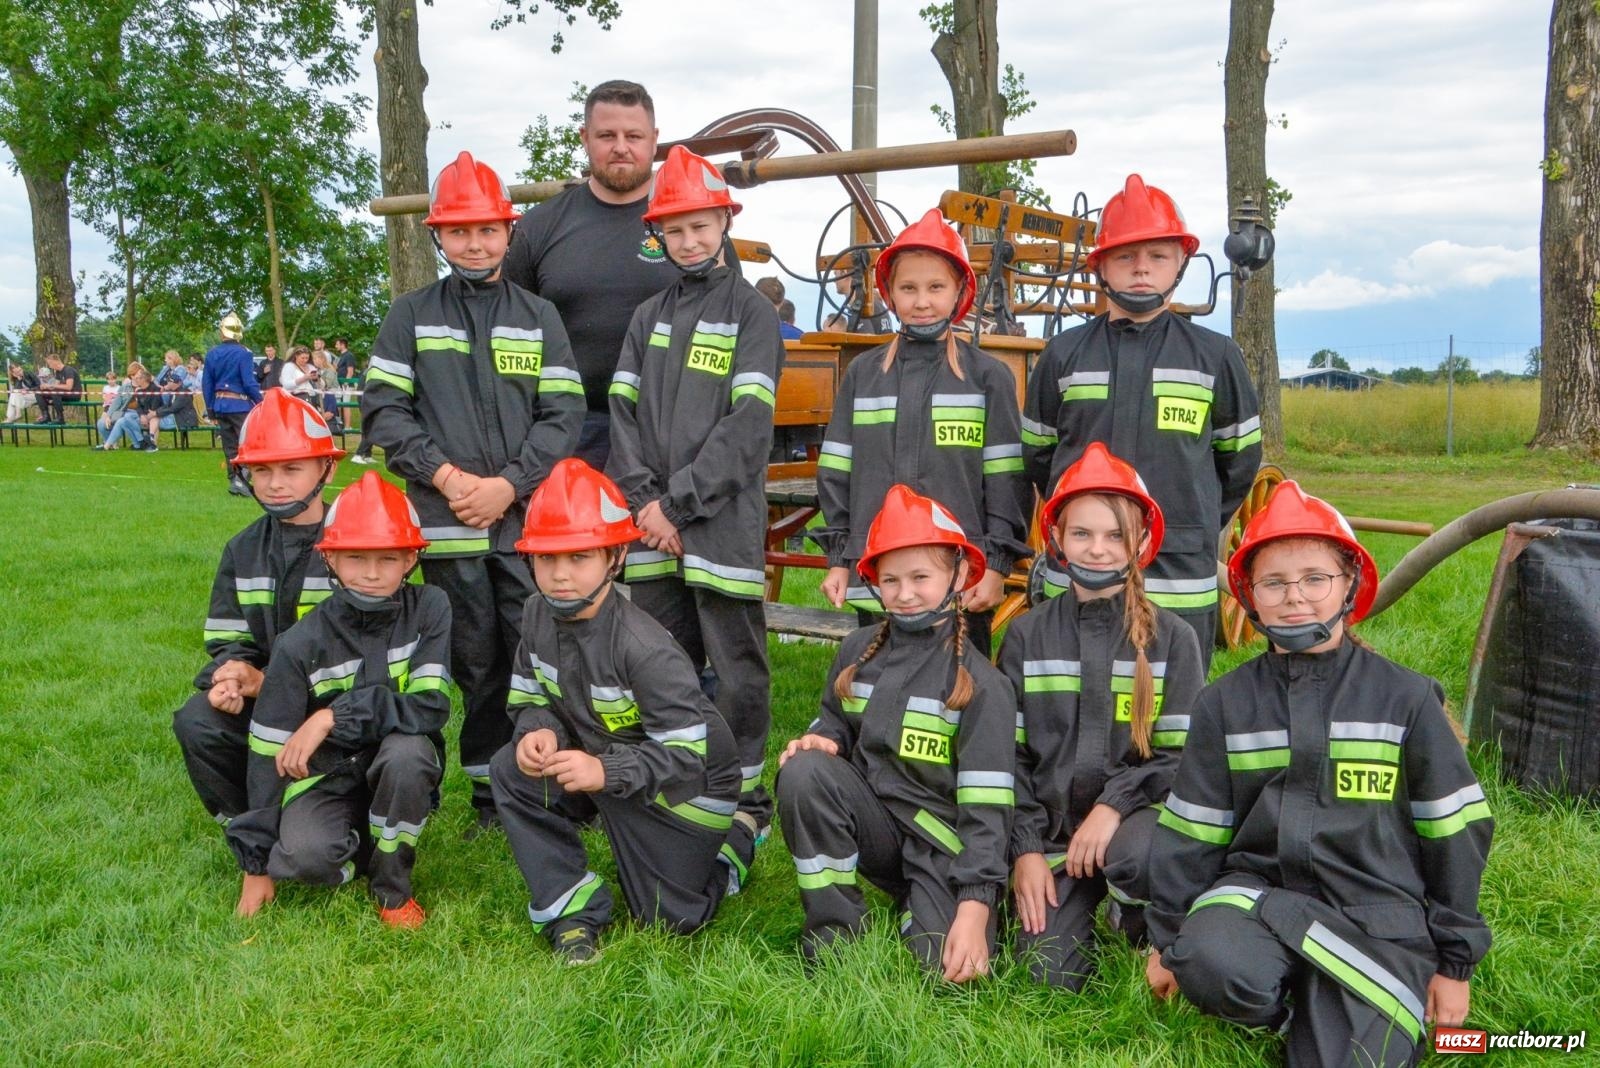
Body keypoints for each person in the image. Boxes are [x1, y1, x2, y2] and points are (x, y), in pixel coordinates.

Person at [1144, 482, 1493, 1067]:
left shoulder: (1405, 700)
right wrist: (1168, 939)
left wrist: (1453, 965)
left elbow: (1454, 832)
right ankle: (1303, 986)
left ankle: (1330, 994)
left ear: (1350, 583)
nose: (1295, 597)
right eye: (1274, 582)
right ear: (1249, 597)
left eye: (1315, 578)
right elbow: (1192, 831)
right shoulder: (1223, 703)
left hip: (1378, 917)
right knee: (1210, 962)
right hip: (1256, 897)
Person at [361, 151, 584, 833]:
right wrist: (449, 478)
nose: (476, 243)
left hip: (525, 529)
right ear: (437, 236)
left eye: (488, 230)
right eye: (460, 232)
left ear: (509, 232)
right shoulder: (410, 314)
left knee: (542, 654)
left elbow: (565, 414)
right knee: (475, 663)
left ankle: (564, 787)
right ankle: (490, 797)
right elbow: (384, 412)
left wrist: (509, 485)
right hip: (448, 525)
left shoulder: (539, 315)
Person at [490, 459, 747, 963]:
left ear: (615, 557)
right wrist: (535, 730)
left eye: (579, 556)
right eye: (545, 559)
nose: (559, 575)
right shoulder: (536, 613)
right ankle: (571, 911)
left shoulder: (645, 649)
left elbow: (688, 756)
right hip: (606, 766)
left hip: (689, 789)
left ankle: (737, 840)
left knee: (669, 920)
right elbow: (529, 696)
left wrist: (602, 770)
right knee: (509, 769)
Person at [607, 144, 783, 843]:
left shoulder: (752, 313)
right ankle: (678, 779)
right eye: (675, 229)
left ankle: (745, 795)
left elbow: (747, 428)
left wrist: (677, 504)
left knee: (738, 666)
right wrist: (646, 504)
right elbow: (622, 418)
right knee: (662, 660)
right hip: (653, 524)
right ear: (658, 235)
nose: (689, 239)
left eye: (701, 225)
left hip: (718, 522)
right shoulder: (646, 316)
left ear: (724, 222)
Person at [775, 485, 1015, 978]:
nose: (904, 594)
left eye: (920, 577)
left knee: (944, 977)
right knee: (804, 772)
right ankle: (834, 935)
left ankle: (924, 904)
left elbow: (987, 811)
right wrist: (823, 739)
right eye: (891, 580)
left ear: (961, 574)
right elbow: (834, 719)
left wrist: (975, 903)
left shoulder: (983, 686)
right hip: (878, 830)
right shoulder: (857, 651)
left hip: (942, 849)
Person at [1023, 174, 1262, 670]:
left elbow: (1238, 463)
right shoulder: (1064, 355)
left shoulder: (1215, 356)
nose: (1141, 270)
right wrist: (1080, 527)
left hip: (1178, 567)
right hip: (1077, 565)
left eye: (1157, 256)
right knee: (1067, 687)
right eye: (1126, 256)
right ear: (1101, 266)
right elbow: (1039, 454)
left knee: (1172, 698)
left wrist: (1189, 520)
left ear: (1180, 264)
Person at [998, 443, 1204, 989]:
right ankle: (1086, 908)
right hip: (1055, 842)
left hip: (1134, 830)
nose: (1097, 549)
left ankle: (1136, 915)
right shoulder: (1024, 635)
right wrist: (1026, 851)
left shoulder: (1175, 640)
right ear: (1057, 540)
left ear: (1142, 541)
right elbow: (1008, 758)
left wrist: (1114, 806)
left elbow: (1183, 759)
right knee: (1047, 976)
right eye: (1082, 534)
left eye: (1116, 535)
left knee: (1140, 856)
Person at [226, 471, 451, 927]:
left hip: (397, 760)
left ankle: (392, 889)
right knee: (305, 860)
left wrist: (330, 716)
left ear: (411, 558)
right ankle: (366, 844)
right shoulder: (298, 642)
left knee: (407, 754)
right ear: (329, 559)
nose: (371, 573)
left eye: (387, 558)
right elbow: (266, 752)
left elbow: (431, 707)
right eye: (355, 558)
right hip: (326, 775)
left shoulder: (431, 607)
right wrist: (255, 863)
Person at [812, 208, 1030, 656]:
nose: (922, 301)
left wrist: (995, 565)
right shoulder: (863, 375)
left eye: (936, 287)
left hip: (960, 573)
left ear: (960, 293)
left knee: (961, 688)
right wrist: (838, 559)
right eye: (908, 288)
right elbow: (836, 471)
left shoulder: (988, 378)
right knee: (875, 683)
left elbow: (1006, 482)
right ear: (889, 294)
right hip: (879, 571)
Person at [171, 389, 343, 844]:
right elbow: (230, 637)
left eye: (291, 468)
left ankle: (328, 811)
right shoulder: (243, 548)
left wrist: (275, 685)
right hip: (263, 700)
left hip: (339, 708)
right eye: (261, 470)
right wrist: (229, 675)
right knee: (197, 721)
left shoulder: (360, 546)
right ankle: (249, 824)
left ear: (328, 467)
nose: (274, 483)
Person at [503, 79, 670, 470]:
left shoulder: (692, 227)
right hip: (569, 432)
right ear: (585, 137)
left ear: (655, 139)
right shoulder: (539, 227)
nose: (621, 147)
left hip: (668, 430)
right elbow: (507, 332)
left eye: (634, 135)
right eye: (606, 135)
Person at [203, 312, 264, 496]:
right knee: (248, 443)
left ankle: (235, 480)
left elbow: (207, 384)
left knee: (230, 446)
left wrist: (211, 409)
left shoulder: (212, 353)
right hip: (240, 405)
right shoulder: (244, 353)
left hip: (220, 405)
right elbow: (248, 382)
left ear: (223, 332)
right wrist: (261, 402)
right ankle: (241, 480)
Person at [36, 353, 82, 424]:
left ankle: (60, 418)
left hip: (73, 394)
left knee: (55, 392)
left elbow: (69, 387)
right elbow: (56, 385)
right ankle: (46, 416)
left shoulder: (68, 370)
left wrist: (50, 386)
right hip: (61, 393)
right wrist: (46, 387)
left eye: (50, 363)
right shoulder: (58, 372)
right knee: (39, 392)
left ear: (55, 361)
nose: (50, 366)